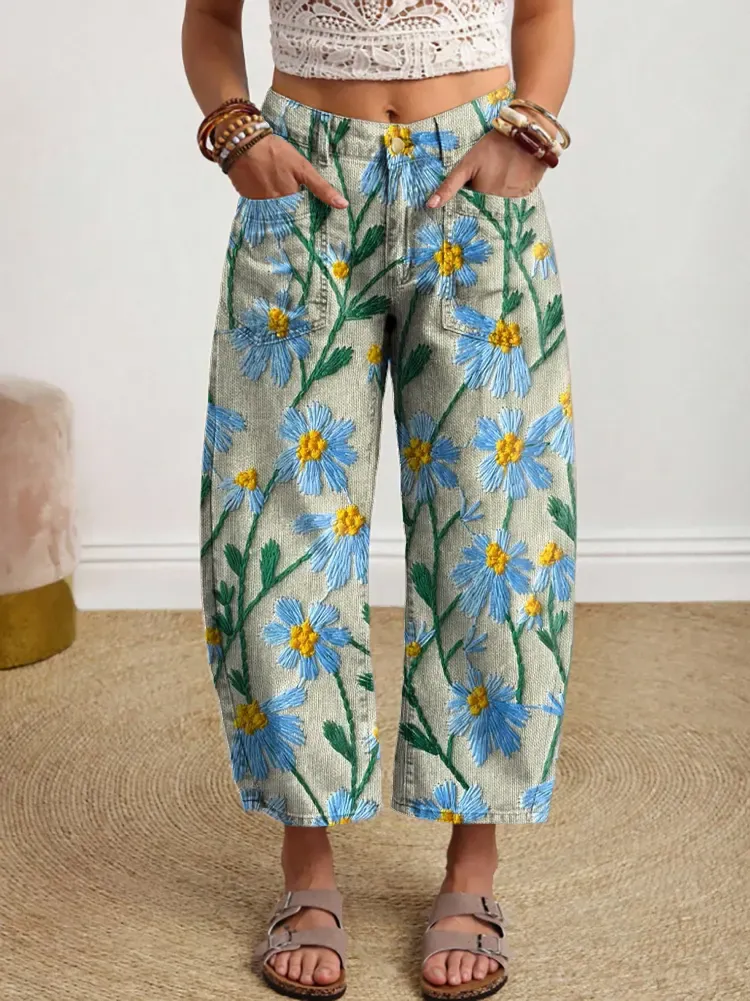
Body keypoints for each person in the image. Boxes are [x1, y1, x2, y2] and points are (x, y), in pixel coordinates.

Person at [184, 0, 575, 996]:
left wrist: (529, 128)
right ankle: (307, 865)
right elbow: (210, 20)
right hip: (304, 181)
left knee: (495, 527)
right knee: (276, 524)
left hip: (474, 176)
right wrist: (238, 136)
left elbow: (545, 11)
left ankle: (472, 866)